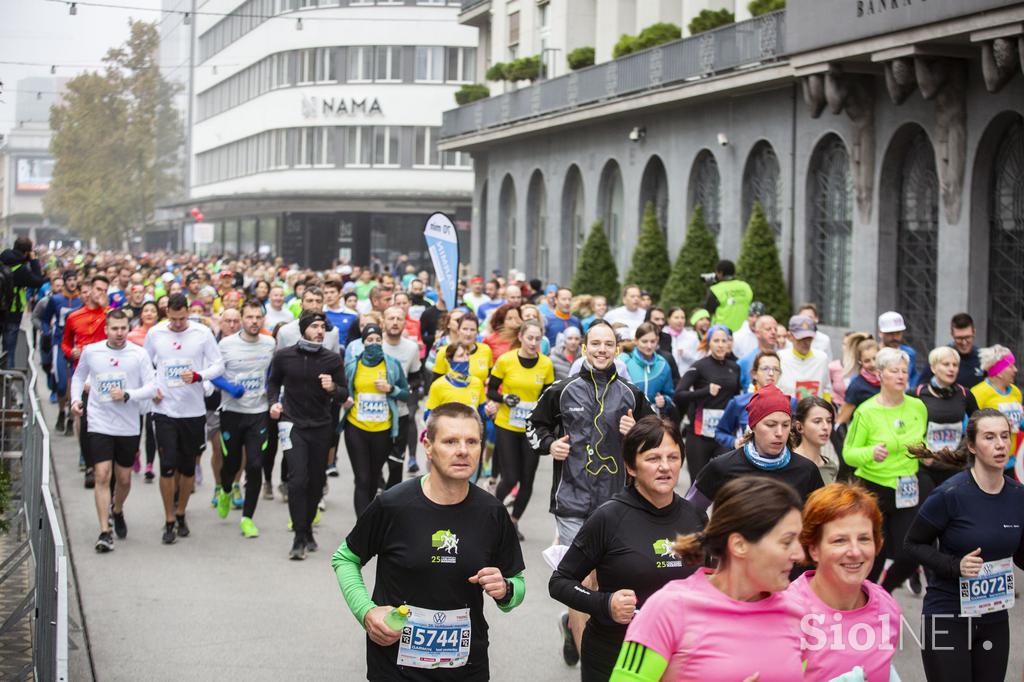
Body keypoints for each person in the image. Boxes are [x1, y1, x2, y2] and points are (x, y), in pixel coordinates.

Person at [331, 402, 525, 680]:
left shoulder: (492, 512)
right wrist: (366, 612)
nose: (462, 450)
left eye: (472, 441)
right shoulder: (393, 505)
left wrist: (505, 588)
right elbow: (345, 558)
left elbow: (516, 584)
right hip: (395, 668)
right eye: (450, 441)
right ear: (428, 445)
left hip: (466, 668)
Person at [527, 320, 654, 664]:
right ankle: (590, 665)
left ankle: (572, 625)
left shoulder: (631, 394)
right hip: (572, 501)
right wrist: (550, 445)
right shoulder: (561, 390)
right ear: (583, 349)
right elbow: (533, 425)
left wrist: (638, 431)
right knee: (583, 583)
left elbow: (657, 437)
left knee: (603, 582)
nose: (601, 350)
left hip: (617, 505)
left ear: (616, 349)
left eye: (608, 344)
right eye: (594, 344)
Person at [549, 416, 706, 681]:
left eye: (673, 457)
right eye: (653, 458)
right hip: (614, 655)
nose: (665, 467)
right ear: (631, 466)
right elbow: (560, 581)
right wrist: (605, 603)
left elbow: (712, 583)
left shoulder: (695, 518)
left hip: (679, 655)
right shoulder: (608, 518)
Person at [609, 477, 805, 682]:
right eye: (786, 542)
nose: (799, 554)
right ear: (739, 545)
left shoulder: (796, 612)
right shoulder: (670, 607)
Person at [904, 409, 1024, 682]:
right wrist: (955, 565)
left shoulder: (1019, 496)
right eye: (990, 437)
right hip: (947, 615)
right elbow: (912, 543)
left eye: (1005, 436)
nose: (1000, 444)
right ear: (971, 445)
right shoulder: (950, 494)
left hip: (994, 617)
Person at [789, 483, 901, 681]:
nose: (855, 551)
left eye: (864, 538)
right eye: (840, 540)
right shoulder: (787, 612)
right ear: (813, 548)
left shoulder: (886, 606)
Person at [69, 309, 157, 552]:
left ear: (128, 328)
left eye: (123, 328)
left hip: (128, 425)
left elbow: (152, 387)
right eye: (114, 328)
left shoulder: (139, 355)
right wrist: (76, 399)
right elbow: (78, 377)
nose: (119, 333)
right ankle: (104, 532)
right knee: (102, 474)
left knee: (124, 479)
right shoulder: (92, 351)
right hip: (99, 421)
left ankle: (117, 510)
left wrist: (128, 394)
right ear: (106, 329)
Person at [842, 346, 927, 592]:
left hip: (907, 487)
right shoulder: (866, 411)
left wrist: (926, 452)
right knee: (874, 555)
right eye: (894, 371)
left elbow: (922, 441)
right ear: (880, 375)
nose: (901, 375)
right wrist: (870, 453)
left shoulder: (917, 407)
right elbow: (849, 453)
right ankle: (865, 600)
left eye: (904, 370)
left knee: (911, 552)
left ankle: (885, 591)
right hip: (873, 489)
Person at [144, 293, 224, 544]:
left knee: (188, 467)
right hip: (164, 410)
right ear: (166, 312)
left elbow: (219, 365)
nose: (178, 324)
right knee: (167, 465)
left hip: (193, 411)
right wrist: (152, 390)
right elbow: (144, 365)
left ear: (188, 312)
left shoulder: (202, 333)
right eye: (174, 319)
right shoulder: (156, 334)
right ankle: (168, 520)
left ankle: (181, 513)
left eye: (182, 318)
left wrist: (199, 375)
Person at [267, 311, 346, 559]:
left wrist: (332, 387)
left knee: (314, 483)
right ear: (304, 329)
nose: (320, 331)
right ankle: (299, 537)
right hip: (292, 424)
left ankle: (308, 527)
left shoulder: (332, 359)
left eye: (323, 327)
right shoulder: (284, 356)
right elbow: (273, 383)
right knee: (297, 480)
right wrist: (273, 402)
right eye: (315, 326)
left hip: (321, 425)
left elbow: (344, 393)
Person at [687, 385, 824, 513]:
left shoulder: (807, 471)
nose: (779, 433)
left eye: (786, 425)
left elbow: (822, 520)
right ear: (753, 426)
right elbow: (689, 512)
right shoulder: (722, 467)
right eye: (771, 424)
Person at [211, 299, 275, 538]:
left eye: (258, 317)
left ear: (263, 319)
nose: (254, 322)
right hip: (231, 413)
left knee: (255, 465)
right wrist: (228, 386)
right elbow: (212, 373)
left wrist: (272, 392)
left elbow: (273, 373)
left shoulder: (269, 343)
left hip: (258, 413)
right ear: (241, 319)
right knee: (231, 463)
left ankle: (248, 518)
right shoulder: (226, 344)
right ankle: (226, 489)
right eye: (249, 317)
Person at [488, 320, 554, 538]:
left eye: (537, 339)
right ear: (521, 338)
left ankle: (514, 522)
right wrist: (505, 397)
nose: (534, 343)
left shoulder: (545, 364)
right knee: (510, 477)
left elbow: (547, 397)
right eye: (530, 338)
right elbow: (491, 391)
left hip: (530, 429)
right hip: (507, 424)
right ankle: (491, 514)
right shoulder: (507, 360)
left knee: (527, 478)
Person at [342, 324, 409, 517]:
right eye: (370, 340)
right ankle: (362, 528)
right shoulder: (353, 365)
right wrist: (344, 399)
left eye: (378, 340)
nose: (374, 344)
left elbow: (405, 394)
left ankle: (366, 521)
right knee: (362, 478)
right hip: (356, 427)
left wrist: (391, 389)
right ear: (362, 343)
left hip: (383, 430)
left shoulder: (392, 365)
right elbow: (343, 391)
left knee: (372, 478)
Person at [673, 325, 741, 483]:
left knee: (725, 483)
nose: (720, 344)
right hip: (699, 435)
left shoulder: (735, 368)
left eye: (724, 340)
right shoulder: (699, 366)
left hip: (724, 434)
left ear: (729, 343)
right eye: (716, 340)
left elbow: (736, 398)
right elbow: (679, 395)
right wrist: (705, 391)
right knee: (698, 484)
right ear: (709, 343)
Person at [63, 275, 111, 488]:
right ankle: (90, 465)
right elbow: (65, 344)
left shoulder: (108, 315)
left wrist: (106, 308)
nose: (100, 293)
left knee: (104, 420)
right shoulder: (74, 317)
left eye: (104, 290)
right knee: (85, 421)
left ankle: (105, 462)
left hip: (105, 373)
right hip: (82, 374)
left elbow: (118, 333)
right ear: (89, 289)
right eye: (98, 289)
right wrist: (70, 352)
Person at [913, 346, 980, 489]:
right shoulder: (918, 393)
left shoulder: (964, 393)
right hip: (926, 469)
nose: (952, 369)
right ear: (933, 368)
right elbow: (908, 427)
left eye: (955, 365)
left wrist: (964, 449)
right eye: (946, 364)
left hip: (955, 467)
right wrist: (923, 453)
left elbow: (978, 424)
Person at [381, 306, 422, 486]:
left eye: (399, 319)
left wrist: (401, 390)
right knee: (376, 459)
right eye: (391, 318)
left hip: (400, 411)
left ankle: (392, 498)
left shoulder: (411, 348)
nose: (395, 322)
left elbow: (416, 378)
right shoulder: (374, 345)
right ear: (383, 322)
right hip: (376, 413)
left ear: (405, 323)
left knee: (396, 462)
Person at [714, 350, 783, 451]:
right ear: (754, 374)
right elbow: (720, 432)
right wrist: (735, 442)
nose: (771, 373)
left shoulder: (790, 403)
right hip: (745, 461)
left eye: (776, 369)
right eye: (765, 368)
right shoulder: (738, 402)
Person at [970, 345, 1023, 475]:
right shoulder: (978, 393)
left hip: (1010, 461)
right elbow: (968, 427)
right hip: (986, 463)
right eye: (1011, 366)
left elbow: (1019, 424)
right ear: (999, 371)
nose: (1015, 370)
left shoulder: (1016, 392)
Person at [1, 236, 48, 368]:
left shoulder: (2, 260)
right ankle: (6, 381)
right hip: (13, 312)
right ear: (27, 252)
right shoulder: (21, 269)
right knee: (8, 350)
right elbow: (38, 281)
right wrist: (33, 261)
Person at [621, 323, 675, 418]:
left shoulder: (663, 364)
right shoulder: (624, 361)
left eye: (653, 341)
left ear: (657, 341)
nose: (649, 346)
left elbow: (670, 394)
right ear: (636, 341)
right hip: (627, 418)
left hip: (651, 421)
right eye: (644, 341)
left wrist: (664, 401)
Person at [919, 312, 984, 389]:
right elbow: (921, 388)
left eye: (968, 337)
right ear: (952, 334)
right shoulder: (941, 356)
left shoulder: (983, 358)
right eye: (959, 338)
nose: (964, 342)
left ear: (974, 332)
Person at [777, 314, 832, 401]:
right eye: (801, 338)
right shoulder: (779, 358)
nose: (806, 342)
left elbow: (826, 390)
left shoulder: (822, 358)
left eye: (809, 338)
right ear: (790, 336)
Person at [790, 396, 842, 485]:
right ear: (799, 427)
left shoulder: (830, 466)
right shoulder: (789, 464)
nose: (825, 427)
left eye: (829, 421)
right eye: (817, 421)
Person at [836, 332, 880, 425]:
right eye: (867, 361)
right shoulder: (856, 386)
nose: (873, 364)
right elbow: (841, 421)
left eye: (875, 358)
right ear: (860, 362)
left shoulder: (888, 380)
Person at [703, 259, 753, 333]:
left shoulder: (716, 289)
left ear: (720, 273)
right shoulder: (745, 287)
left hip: (722, 334)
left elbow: (707, 310)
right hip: (744, 332)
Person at [878, 310, 920, 389]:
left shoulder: (909, 353)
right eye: (890, 333)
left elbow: (913, 378)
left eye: (898, 333)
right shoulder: (873, 354)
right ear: (880, 333)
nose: (895, 337)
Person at [736, 313, 777, 391]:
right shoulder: (744, 362)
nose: (773, 332)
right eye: (768, 329)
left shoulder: (783, 357)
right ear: (757, 333)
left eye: (775, 329)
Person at [673, 308, 708, 377]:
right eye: (701, 319)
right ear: (694, 322)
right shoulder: (690, 337)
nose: (705, 322)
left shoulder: (711, 336)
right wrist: (684, 354)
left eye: (707, 319)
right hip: (687, 374)